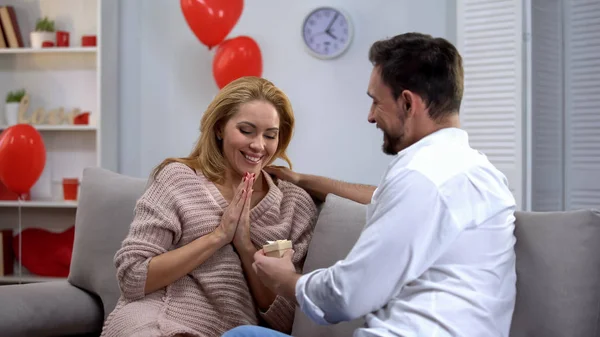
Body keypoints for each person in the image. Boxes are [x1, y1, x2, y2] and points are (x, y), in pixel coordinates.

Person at [224, 33, 517, 337]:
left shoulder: (422, 177)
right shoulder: (477, 172)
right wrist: (301, 179)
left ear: (407, 103)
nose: (370, 116)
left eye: (376, 102)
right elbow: (382, 199)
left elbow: (348, 295)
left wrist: (287, 281)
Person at [100, 76, 319, 337]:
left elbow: (287, 320)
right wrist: (218, 237)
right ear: (219, 128)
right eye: (246, 131)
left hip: (230, 331)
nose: (259, 145)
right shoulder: (178, 179)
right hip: (153, 317)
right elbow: (132, 277)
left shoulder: (293, 205)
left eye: (270, 135)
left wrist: (245, 246)